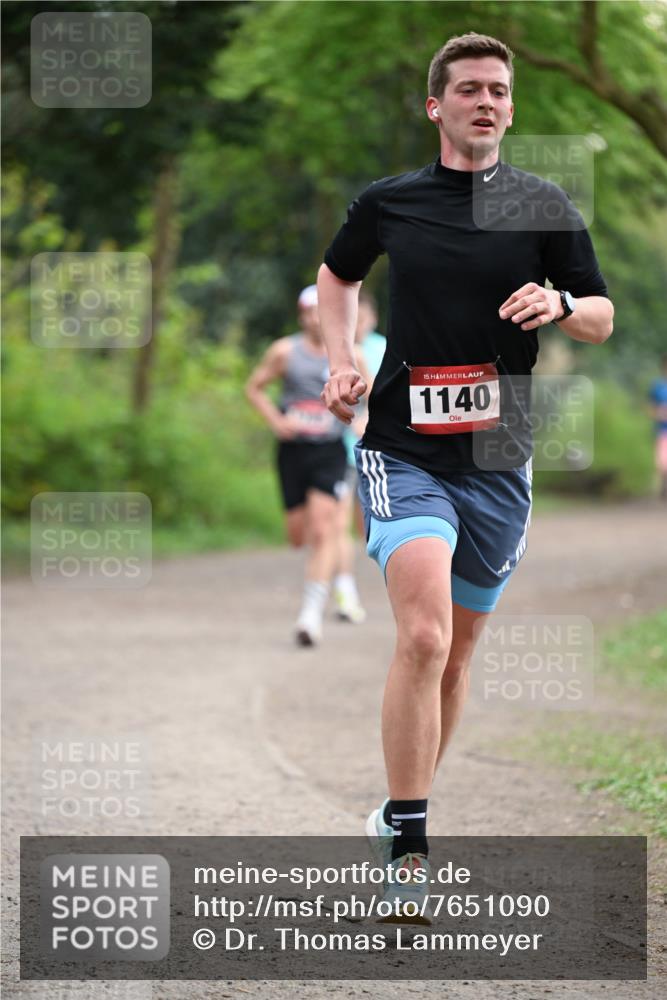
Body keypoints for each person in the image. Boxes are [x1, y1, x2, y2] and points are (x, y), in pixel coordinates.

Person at [317, 32, 614, 923]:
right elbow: (335, 277)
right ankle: (409, 838)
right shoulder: (392, 202)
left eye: (498, 90)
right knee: (423, 638)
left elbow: (599, 315)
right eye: (469, 89)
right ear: (435, 107)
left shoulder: (542, 205)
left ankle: (393, 810)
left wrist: (560, 303)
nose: (485, 101)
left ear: (510, 109)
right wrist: (340, 359)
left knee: (459, 652)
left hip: (498, 460)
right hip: (402, 448)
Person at [246, 285, 357, 646]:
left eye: (320, 311)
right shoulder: (284, 351)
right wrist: (276, 422)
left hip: (330, 451)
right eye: (309, 312)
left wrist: (361, 421)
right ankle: (319, 577)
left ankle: (310, 615)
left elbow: (372, 393)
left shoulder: (348, 354)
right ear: (301, 316)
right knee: (298, 536)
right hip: (292, 451)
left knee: (324, 531)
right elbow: (255, 388)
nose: (315, 318)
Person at [333, 290, 386, 624]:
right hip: (336, 451)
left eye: (364, 320)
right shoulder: (336, 349)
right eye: (354, 320)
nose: (358, 327)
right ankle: (345, 590)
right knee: (336, 525)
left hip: (376, 452)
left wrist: (371, 417)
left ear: (373, 319)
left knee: (366, 527)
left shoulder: (386, 347)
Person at [648, 354, 667, 500]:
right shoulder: (658, 387)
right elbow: (650, 408)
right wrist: (658, 413)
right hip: (663, 430)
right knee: (662, 463)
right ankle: (663, 487)